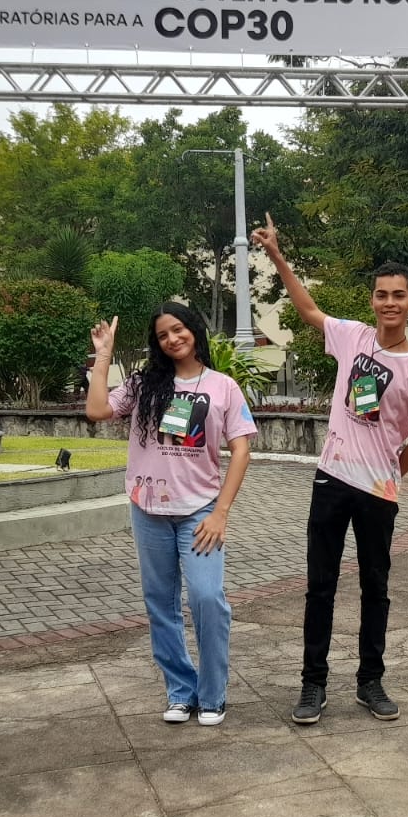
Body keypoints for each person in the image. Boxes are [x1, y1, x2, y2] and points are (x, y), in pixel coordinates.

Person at [252, 213, 408, 725]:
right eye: (382, 294)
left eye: (399, 295)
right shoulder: (353, 337)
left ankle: (370, 682)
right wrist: (277, 256)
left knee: (375, 587)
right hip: (331, 480)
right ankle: (313, 685)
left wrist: (391, 474)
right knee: (321, 586)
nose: (389, 303)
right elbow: (308, 309)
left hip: (378, 490)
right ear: (373, 300)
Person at [85, 303, 256, 725]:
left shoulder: (223, 387)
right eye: (163, 335)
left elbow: (241, 450)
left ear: (194, 329)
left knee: (206, 598)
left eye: (178, 329)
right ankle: (181, 691)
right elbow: (97, 410)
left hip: (199, 511)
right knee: (161, 604)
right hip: (148, 509)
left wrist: (221, 512)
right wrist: (103, 355)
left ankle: (212, 693)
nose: (172, 339)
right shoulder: (145, 384)